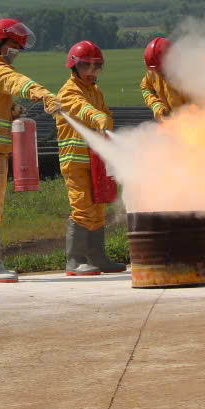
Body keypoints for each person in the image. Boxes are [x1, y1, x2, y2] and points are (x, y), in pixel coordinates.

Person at [0, 18, 60, 283]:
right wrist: (43, 94)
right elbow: (17, 82)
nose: (16, 51)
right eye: (13, 45)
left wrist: (11, 111)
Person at [56, 41, 126, 275]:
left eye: (96, 68)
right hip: (74, 161)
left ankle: (97, 258)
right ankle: (74, 261)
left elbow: (105, 114)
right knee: (82, 208)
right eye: (87, 67)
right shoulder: (68, 92)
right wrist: (98, 118)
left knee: (97, 209)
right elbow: (82, 109)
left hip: (94, 160)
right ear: (74, 66)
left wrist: (104, 118)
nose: (92, 73)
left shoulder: (95, 91)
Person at [140, 36, 191, 121]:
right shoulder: (153, 71)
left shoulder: (187, 76)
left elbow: (201, 108)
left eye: (160, 69)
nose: (158, 73)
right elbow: (145, 88)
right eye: (155, 70)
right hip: (169, 125)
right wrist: (157, 106)